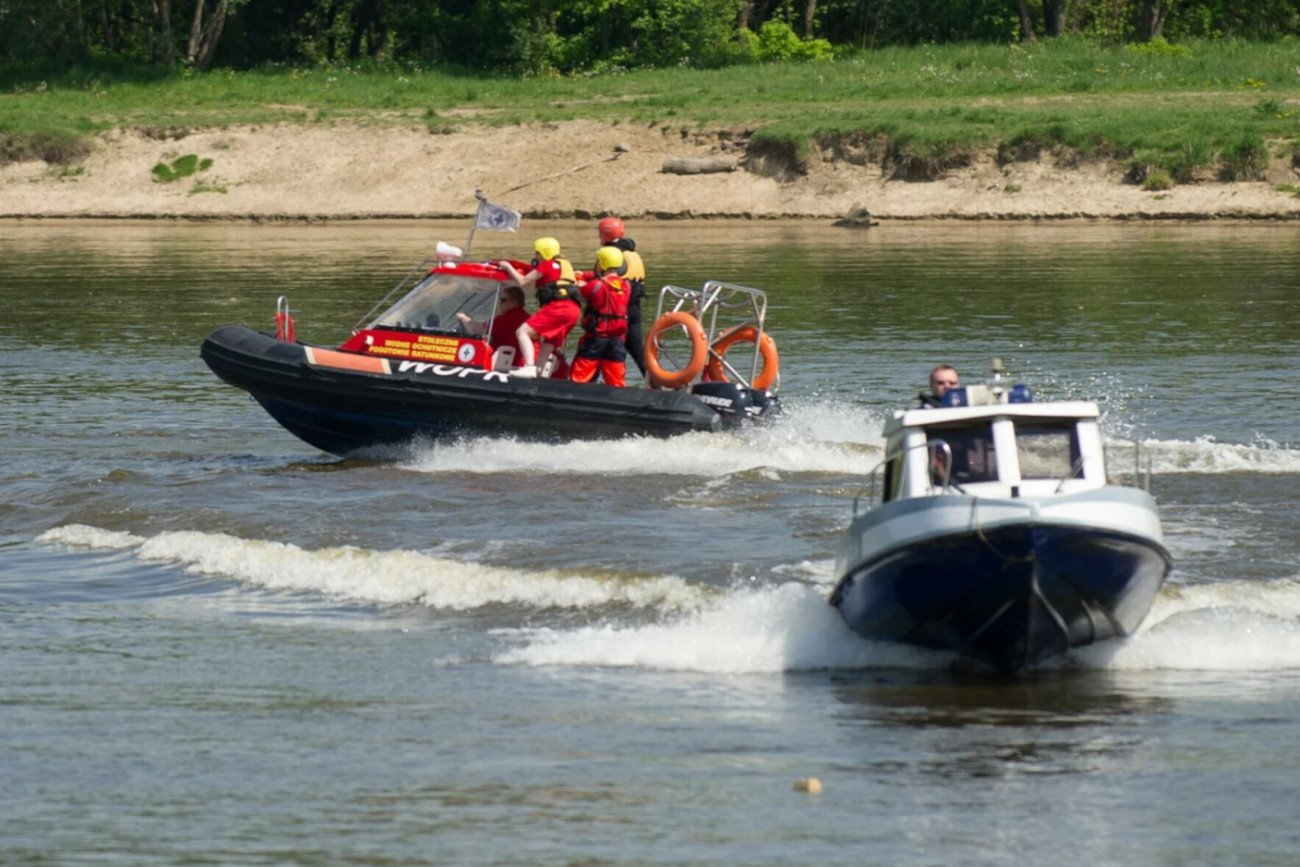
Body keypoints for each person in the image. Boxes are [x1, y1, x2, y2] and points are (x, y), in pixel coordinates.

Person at [498, 237, 581, 379]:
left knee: (522, 332)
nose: (535, 257)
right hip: (574, 311)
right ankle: (538, 373)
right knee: (548, 345)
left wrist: (507, 267)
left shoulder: (546, 265)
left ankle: (529, 367)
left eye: (537, 253)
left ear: (543, 253)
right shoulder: (564, 267)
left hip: (558, 308)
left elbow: (523, 281)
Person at [571, 246, 631, 387]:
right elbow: (609, 281)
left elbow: (579, 291)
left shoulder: (596, 285)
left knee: (580, 378)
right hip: (617, 340)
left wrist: (578, 280)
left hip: (595, 339)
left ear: (602, 263)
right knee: (616, 381)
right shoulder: (627, 286)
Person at [596, 217, 648, 377]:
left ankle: (587, 385)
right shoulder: (631, 252)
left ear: (605, 235)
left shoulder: (610, 254)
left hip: (617, 311)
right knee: (639, 352)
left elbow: (604, 280)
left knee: (598, 346)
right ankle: (655, 385)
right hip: (635, 309)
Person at [455, 284, 531, 360]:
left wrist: (463, 317)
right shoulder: (528, 318)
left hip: (507, 363)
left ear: (515, 302)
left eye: (503, 300)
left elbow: (478, 329)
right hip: (523, 361)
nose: (500, 304)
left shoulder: (504, 320)